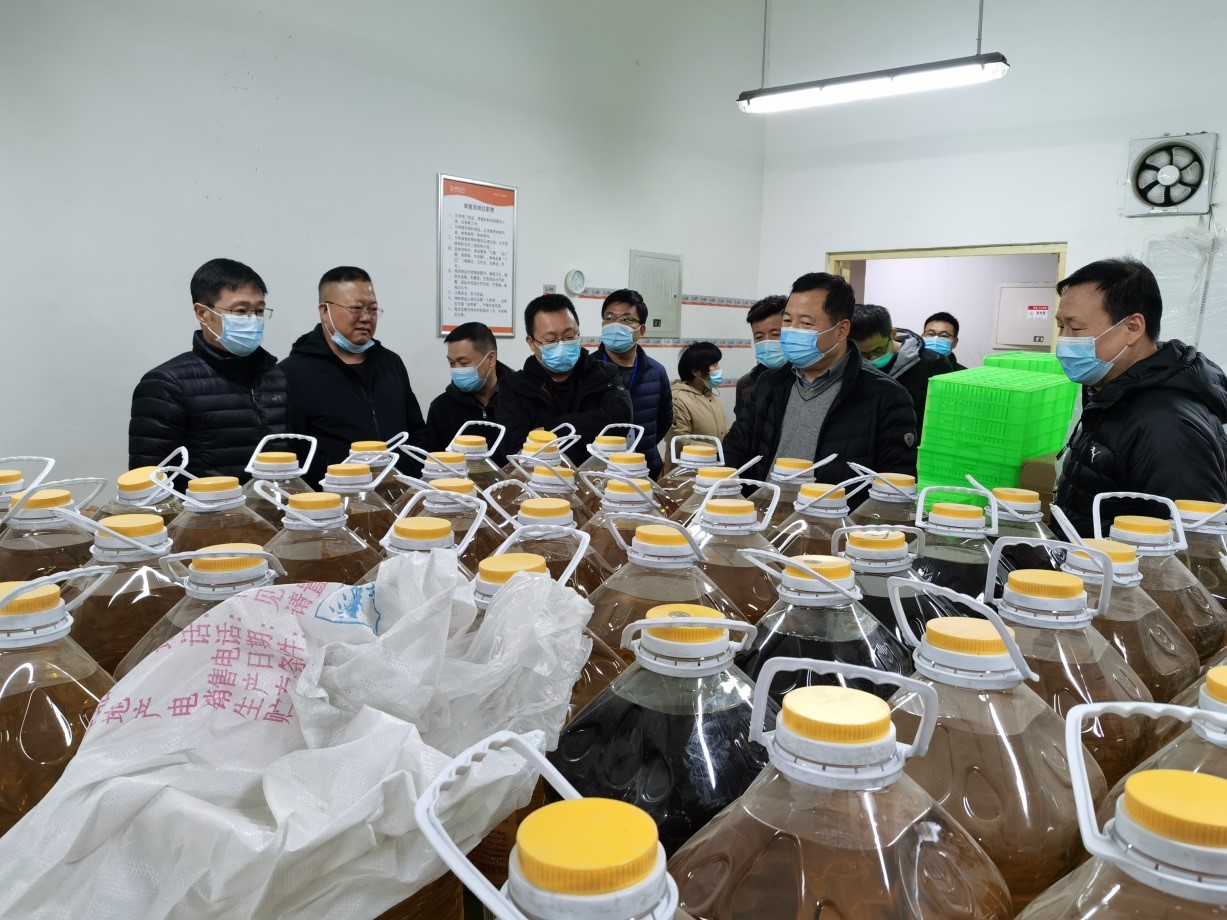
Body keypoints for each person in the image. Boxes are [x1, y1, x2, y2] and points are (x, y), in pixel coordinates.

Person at [1053, 257, 1227, 535]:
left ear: (1133, 328)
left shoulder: (1166, 423)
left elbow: (1191, 544)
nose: (1064, 341)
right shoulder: (1109, 392)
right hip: (1086, 560)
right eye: (1061, 327)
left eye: (1077, 328)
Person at [722, 272, 917, 495]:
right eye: (788, 321)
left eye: (805, 323)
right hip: (764, 512)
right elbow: (735, 449)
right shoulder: (770, 383)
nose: (791, 331)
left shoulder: (886, 396)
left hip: (833, 516)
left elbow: (895, 487)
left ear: (842, 330)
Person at [129, 258, 289, 481]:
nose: (252, 320)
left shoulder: (275, 376)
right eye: (240, 311)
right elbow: (151, 480)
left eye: (259, 311)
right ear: (202, 313)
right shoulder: (165, 384)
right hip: (204, 503)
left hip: (270, 502)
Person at [279, 266, 427, 486]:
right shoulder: (293, 372)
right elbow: (292, 449)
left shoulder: (391, 362)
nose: (366, 317)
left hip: (399, 491)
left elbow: (415, 429)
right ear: (325, 311)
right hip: (336, 497)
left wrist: (413, 474)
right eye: (356, 308)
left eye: (373, 309)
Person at [494, 293, 632, 466]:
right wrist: (586, 434)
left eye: (569, 336)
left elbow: (619, 421)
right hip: (539, 479)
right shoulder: (513, 387)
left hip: (595, 476)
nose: (562, 345)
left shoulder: (604, 374)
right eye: (551, 340)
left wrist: (548, 431)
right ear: (531, 342)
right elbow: (515, 449)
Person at [591, 289, 672, 477]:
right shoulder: (587, 370)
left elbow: (664, 419)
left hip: (645, 468)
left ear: (641, 330)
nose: (616, 324)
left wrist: (643, 444)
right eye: (609, 318)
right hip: (600, 471)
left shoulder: (656, 372)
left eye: (626, 319)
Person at [850, 303, 953, 430]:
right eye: (863, 354)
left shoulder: (933, 364)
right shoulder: (849, 363)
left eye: (878, 350)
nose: (872, 359)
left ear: (892, 334)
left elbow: (944, 414)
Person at [425, 322, 515, 451]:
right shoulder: (441, 407)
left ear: (491, 358)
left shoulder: (520, 399)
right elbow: (433, 458)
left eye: (464, 363)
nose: (457, 369)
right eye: (451, 363)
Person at [664, 342, 729, 471]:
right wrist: (719, 451)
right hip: (686, 473)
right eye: (714, 365)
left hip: (711, 468)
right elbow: (680, 441)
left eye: (717, 364)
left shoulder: (708, 394)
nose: (718, 369)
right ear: (696, 372)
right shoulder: (678, 398)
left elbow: (722, 431)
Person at [735, 294, 787, 416]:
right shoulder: (745, 383)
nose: (767, 343)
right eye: (759, 337)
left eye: (776, 334)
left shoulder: (809, 379)